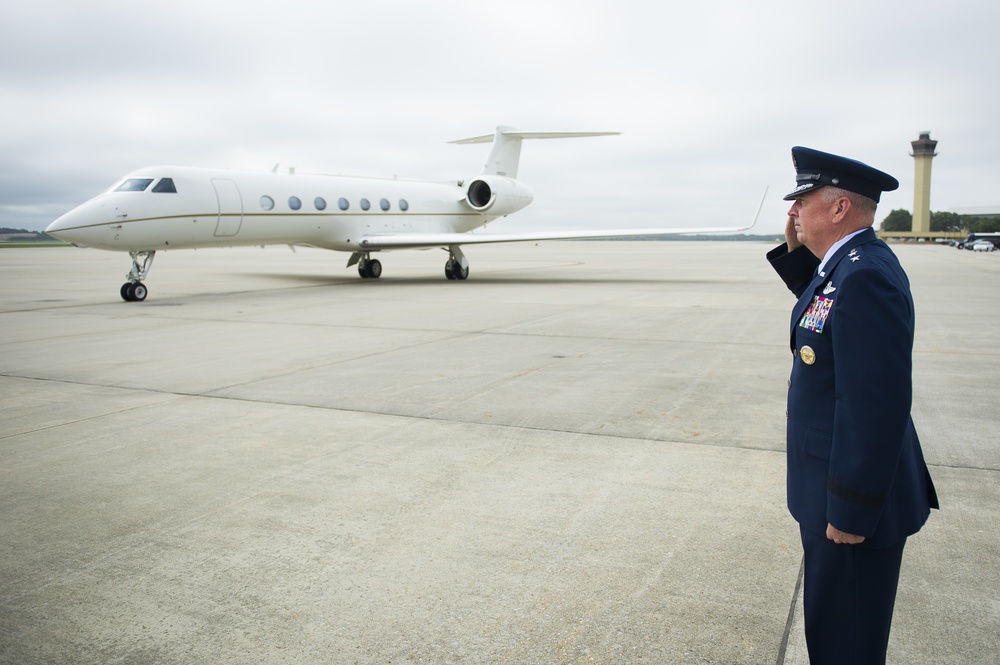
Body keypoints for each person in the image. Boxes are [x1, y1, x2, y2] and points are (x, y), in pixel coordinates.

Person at [766, 147, 939, 664]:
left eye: (802, 200)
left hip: (850, 505)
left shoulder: (863, 275)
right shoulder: (849, 265)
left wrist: (852, 511)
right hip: (829, 490)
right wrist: (798, 253)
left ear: (839, 208)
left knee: (846, 644)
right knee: (834, 631)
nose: (793, 211)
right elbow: (825, 319)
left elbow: (874, 405)